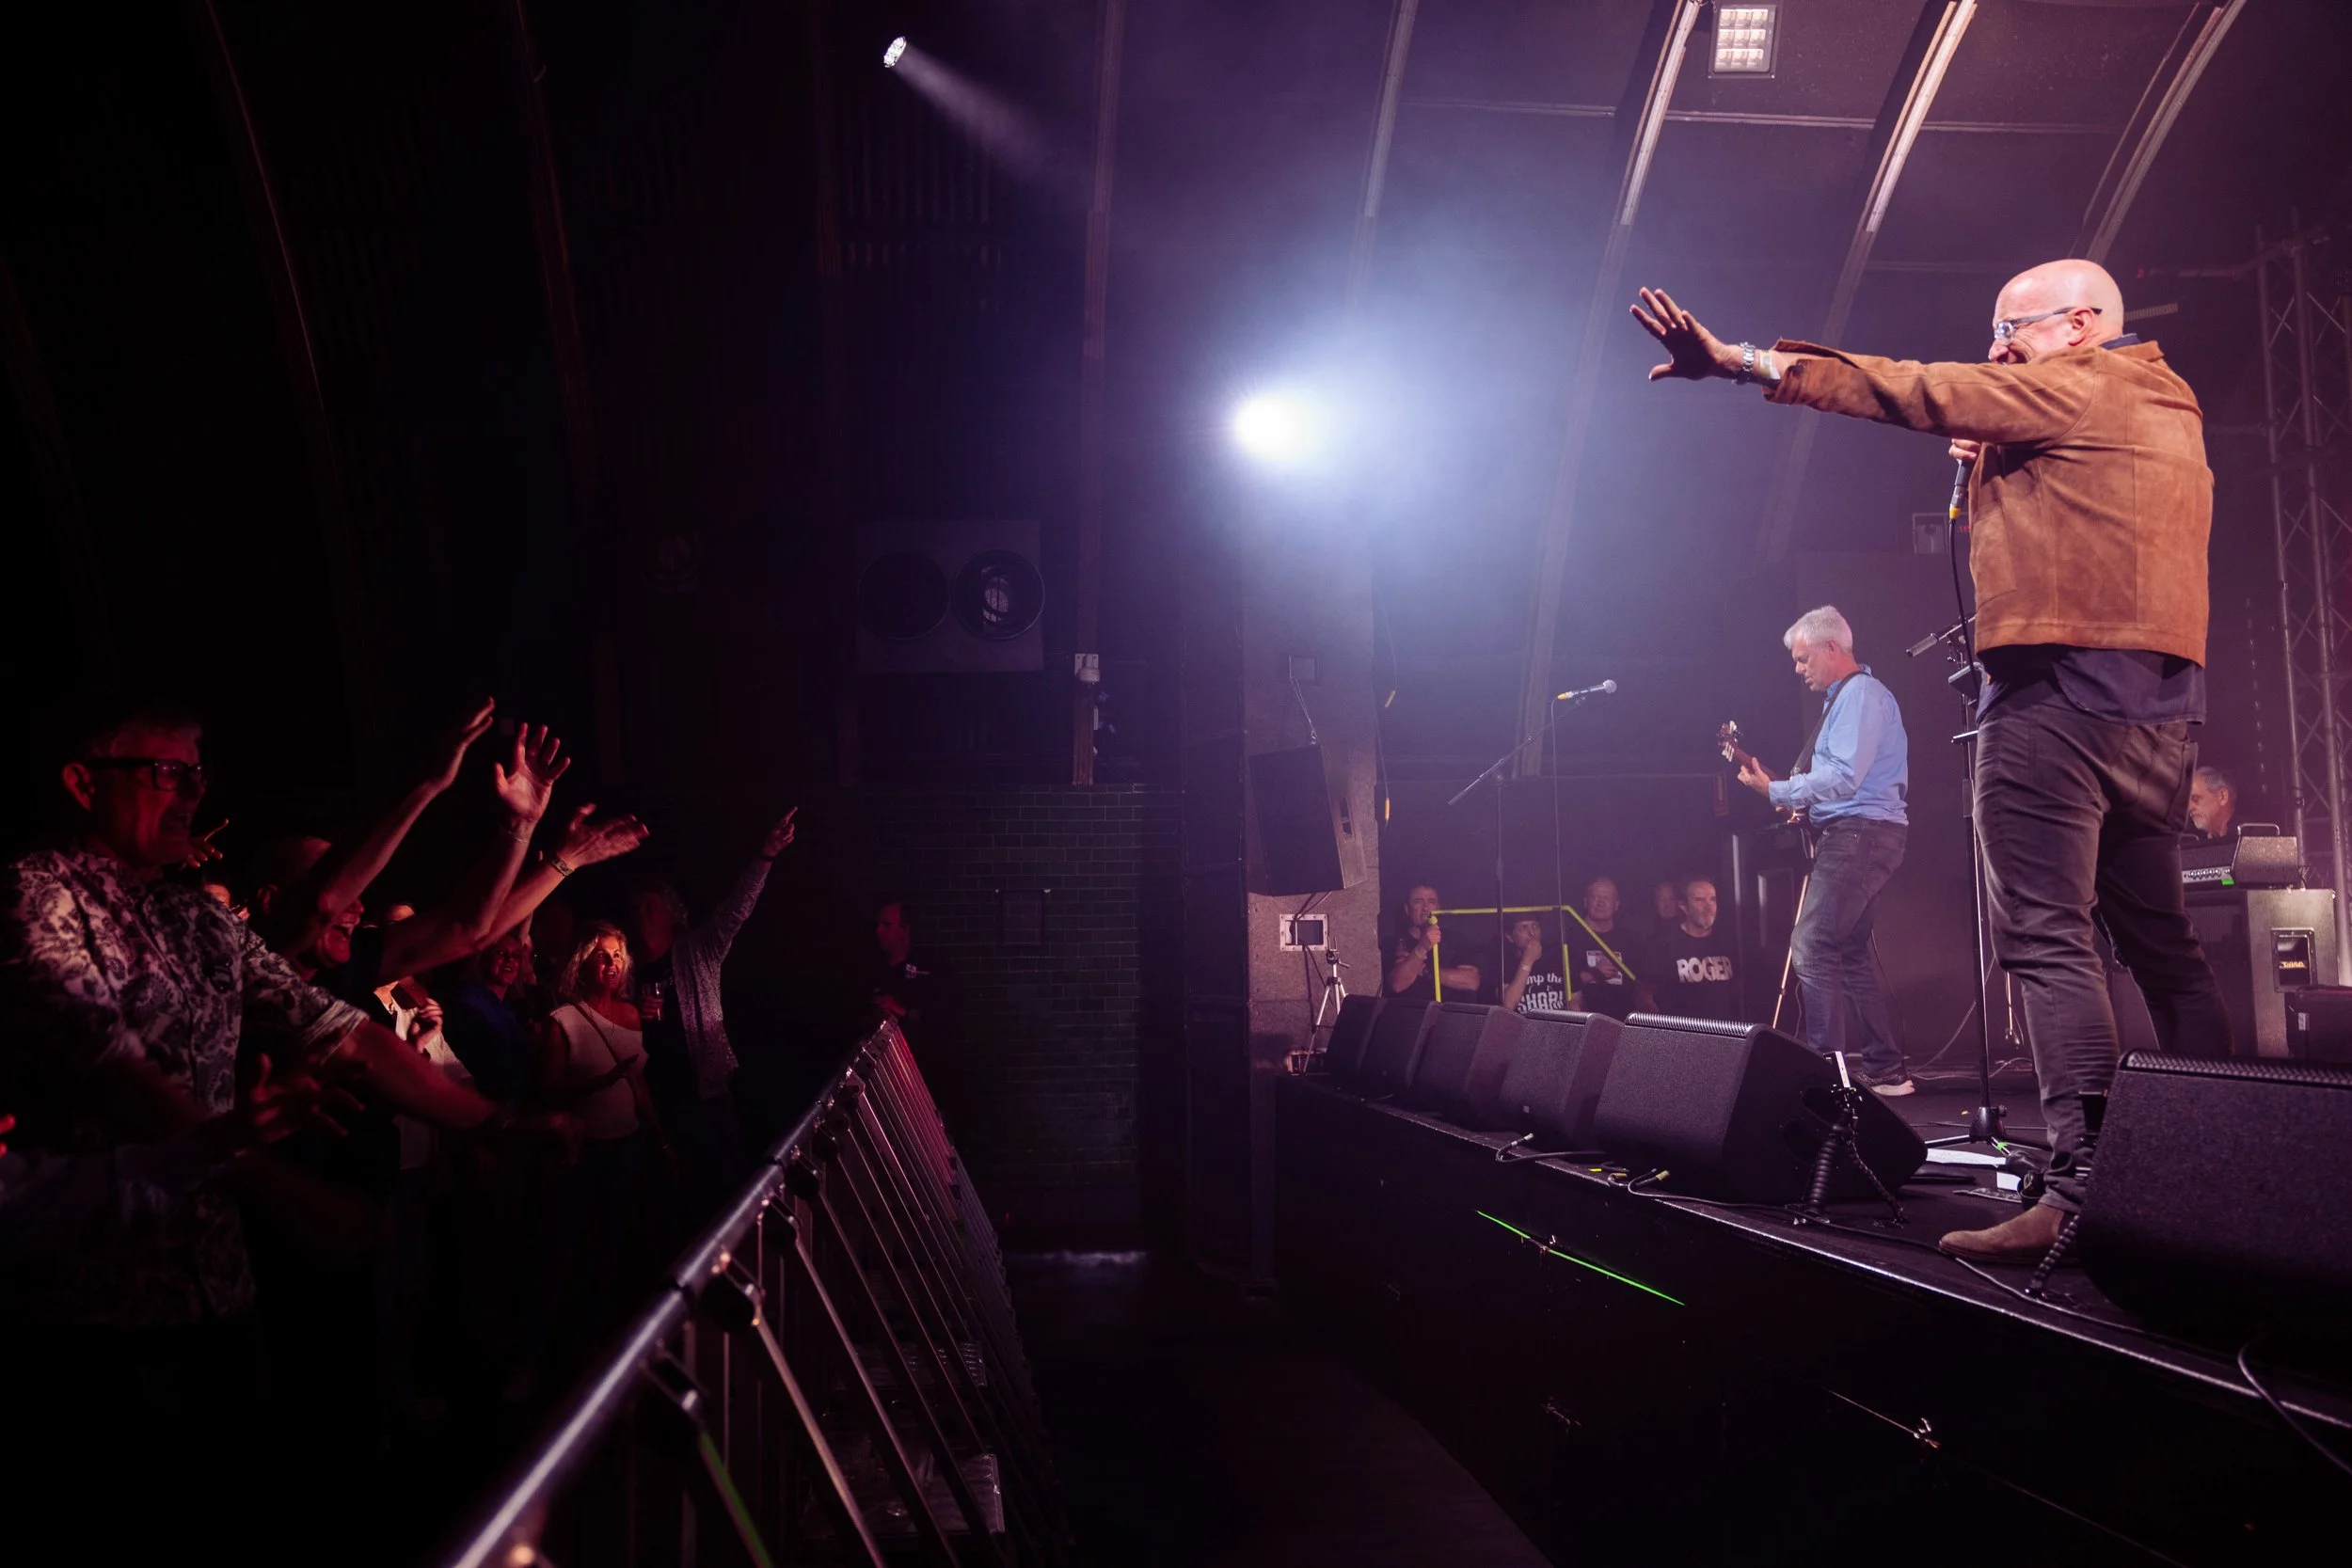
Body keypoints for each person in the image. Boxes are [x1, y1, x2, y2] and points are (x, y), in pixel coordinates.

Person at [1632, 258, 2231, 1259]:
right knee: (2164, 946)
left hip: (2054, 698)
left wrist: (1738, 361)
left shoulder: (2078, 383)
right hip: (2160, 711)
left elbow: (1909, 385)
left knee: (2046, 938)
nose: (1997, 349)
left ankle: (2080, 1194)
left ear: (2081, 324)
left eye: (2013, 329)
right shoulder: (2165, 402)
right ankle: (2219, 1169)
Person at [0, 693, 563, 1558]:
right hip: (100, 1307)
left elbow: (342, 1032)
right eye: (165, 772)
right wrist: (278, 1183)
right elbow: (109, 1068)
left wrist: (495, 1120)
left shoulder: (196, 919)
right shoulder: (38, 892)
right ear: (84, 781)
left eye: (197, 774)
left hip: (221, 1291)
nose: (190, 791)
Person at [1726, 609, 1912, 1094]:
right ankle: (1884, 1068)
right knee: (1847, 952)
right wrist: (1794, 799)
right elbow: (1847, 779)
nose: (1797, 668)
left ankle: (1824, 1078)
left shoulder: (1861, 697)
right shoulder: (1846, 700)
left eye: (1803, 658)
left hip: (1860, 836)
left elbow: (1845, 776)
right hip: (1863, 832)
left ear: (1832, 648)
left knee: (1810, 945)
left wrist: (1781, 791)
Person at [627, 809, 796, 1222]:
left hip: (707, 1094)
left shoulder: (697, 951)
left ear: (671, 913)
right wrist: (633, 1012)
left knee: (726, 1192)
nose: (641, 915)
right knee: (672, 1199)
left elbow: (735, 910)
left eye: (649, 907)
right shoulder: (624, 967)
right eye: (637, 908)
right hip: (654, 1101)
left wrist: (766, 856)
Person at [1647, 878, 1741, 1022]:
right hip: (1684, 1038)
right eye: (1699, 900)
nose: (1708, 906)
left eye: (1712, 900)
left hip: (1723, 1036)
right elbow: (1644, 995)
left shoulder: (1726, 941)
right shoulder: (1664, 943)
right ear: (1684, 907)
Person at [1565, 877, 1646, 1020]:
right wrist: (1594, 973)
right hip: (1585, 1022)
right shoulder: (1569, 937)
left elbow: (1642, 985)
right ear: (1586, 902)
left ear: (1616, 905)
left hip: (1623, 1022)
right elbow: (1561, 984)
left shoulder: (1630, 940)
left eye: (1606, 898)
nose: (1601, 903)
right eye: (1595, 897)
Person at [1385, 883, 1481, 1002]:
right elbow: (1397, 984)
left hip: (1449, 1016)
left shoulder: (1456, 940)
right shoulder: (1393, 943)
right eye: (1418, 902)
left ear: (1438, 908)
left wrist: (1426, 972)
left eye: (1431, 902)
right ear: (1407, 909)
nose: (1425, 908)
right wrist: (1422, 948)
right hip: (1413, 1016)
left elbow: (1472, 981)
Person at [1497, 914, 1570, 1015]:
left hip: (1558, 1024)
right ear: (1510, 937)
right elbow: (1508, 1005)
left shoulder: (1558, 957)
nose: (1532, 933)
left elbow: (1577, 1000)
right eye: (1523, 928)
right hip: (1524, 1027)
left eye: (1535, 926)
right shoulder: (1504, 962)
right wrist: (1527, 961)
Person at [2187, 767, 2236, 841]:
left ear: (2222, 796)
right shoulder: (2193, 842)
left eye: (2196, 799)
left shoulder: (2252, 837)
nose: (2189, 808)